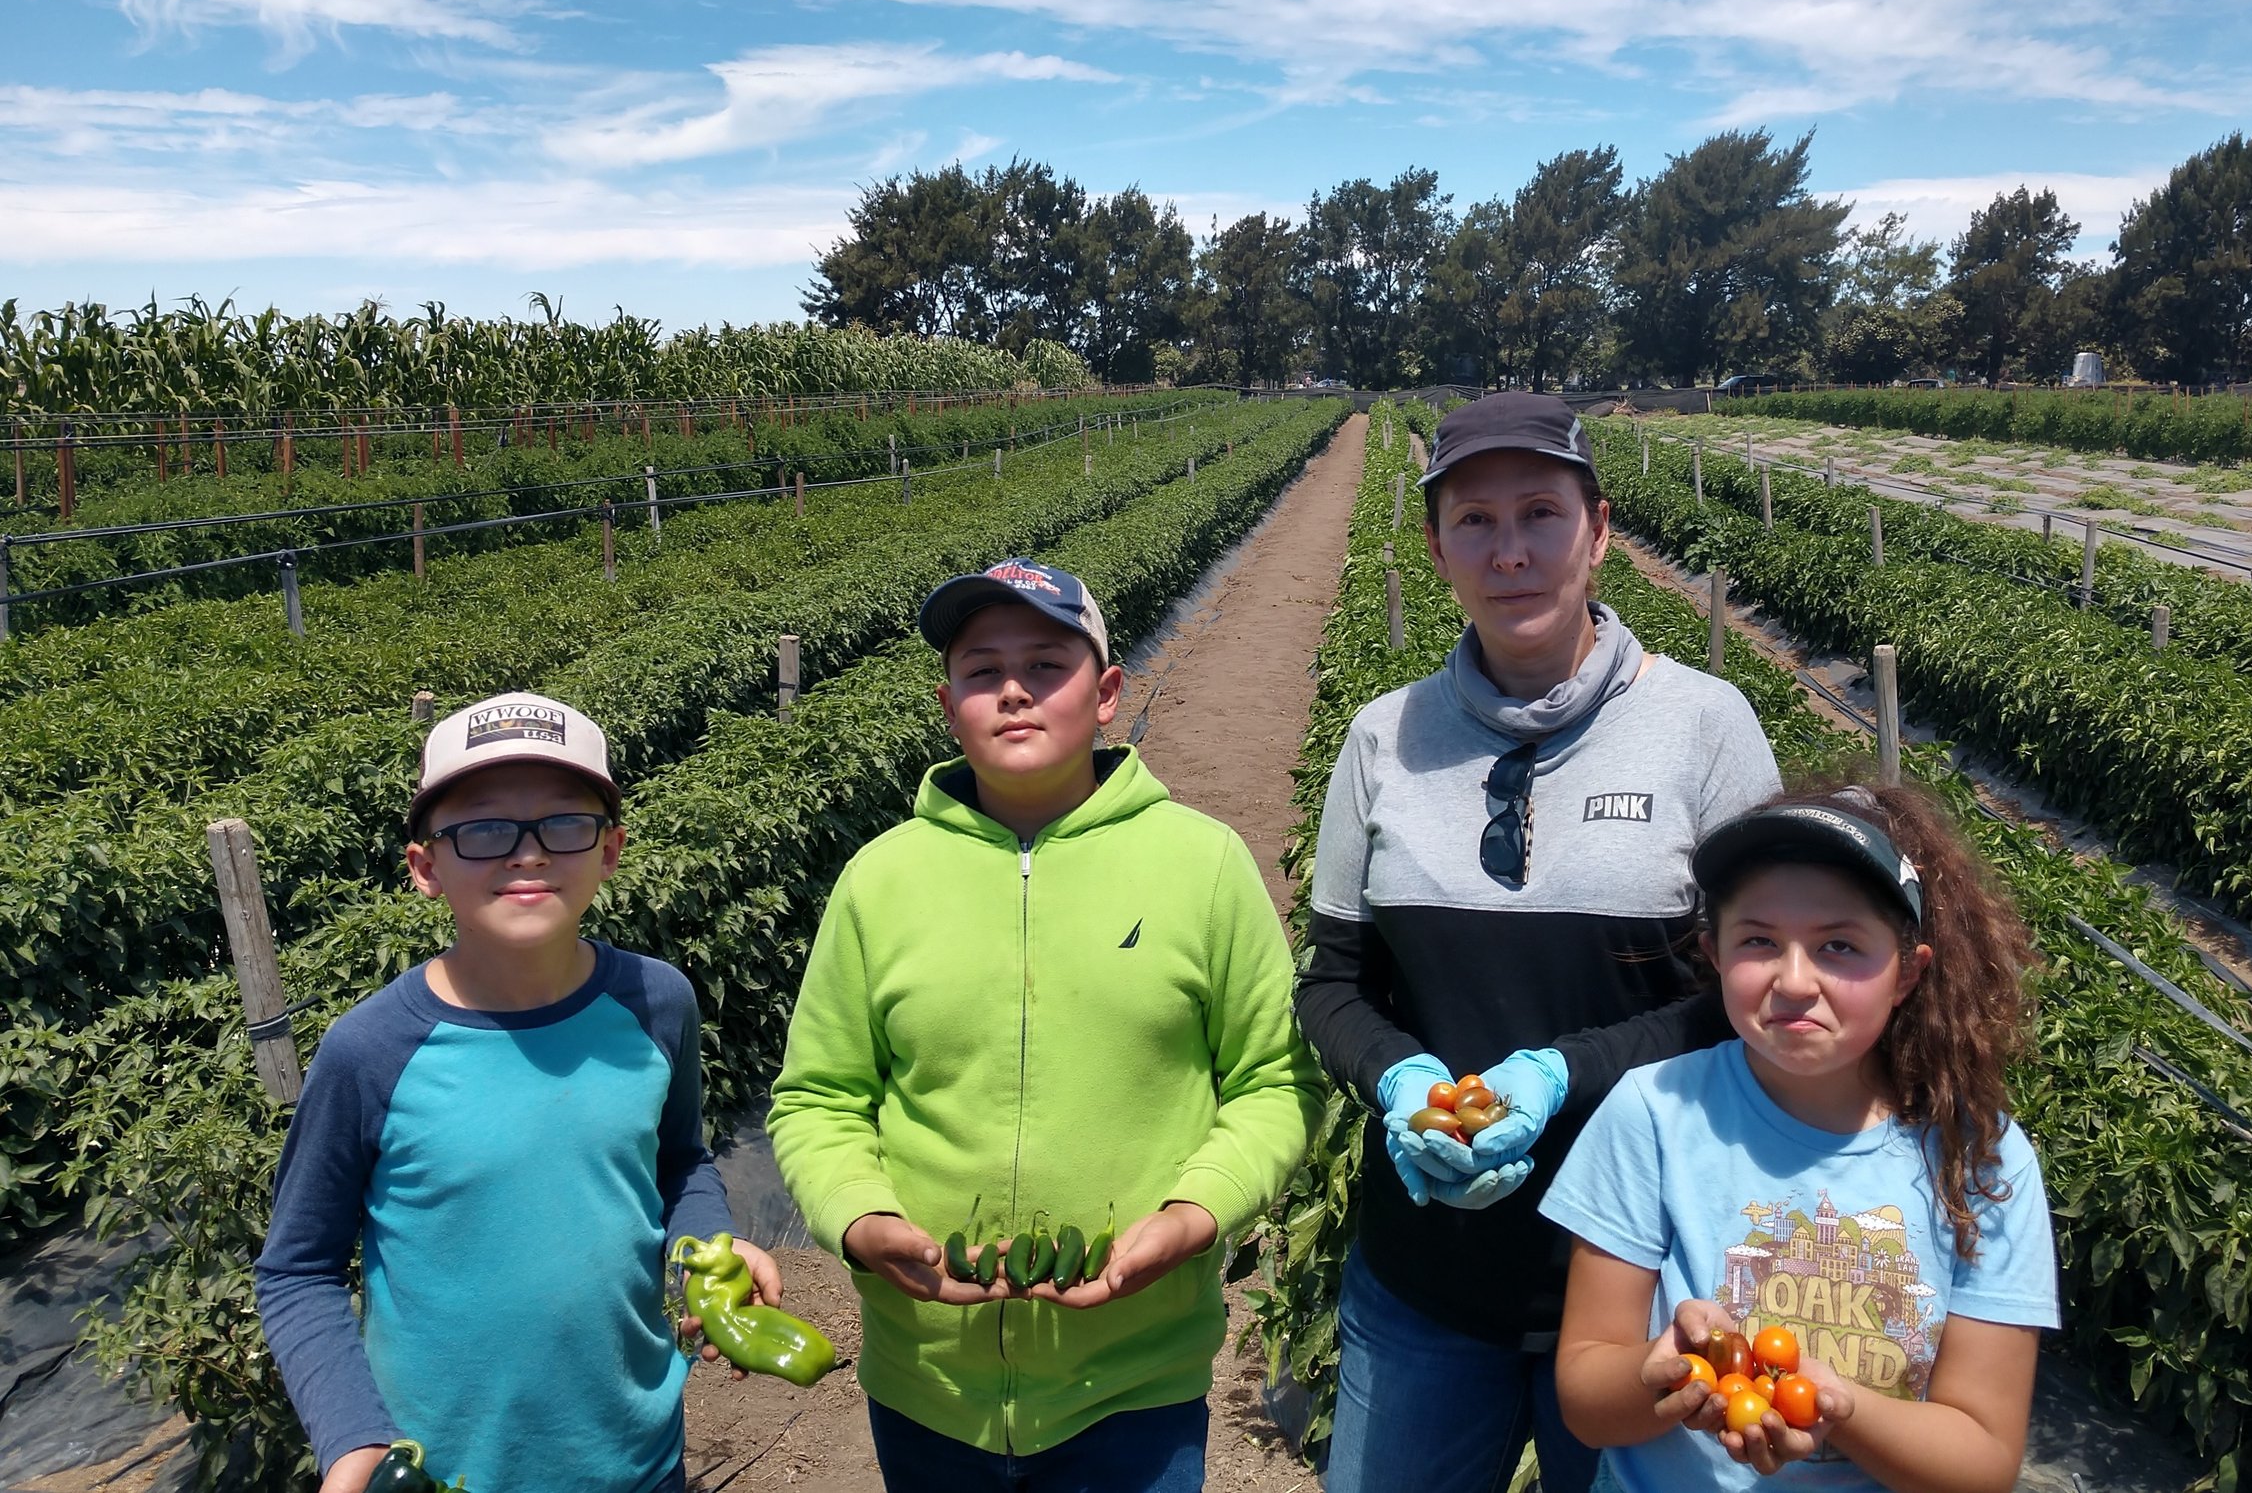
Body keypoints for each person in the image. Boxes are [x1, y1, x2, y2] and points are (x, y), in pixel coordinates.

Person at [1296, 392, 1783, 1493]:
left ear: (1598, 531)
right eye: (1474, 521)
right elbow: (1331, 984)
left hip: (1648, 1286)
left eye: (1540, 514)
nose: (1509, 551)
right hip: (1425, 1282)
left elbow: (1749, 1000)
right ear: (1436, 549)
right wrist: (1398, 1079)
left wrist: (1562, 1074)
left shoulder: (1706, 729)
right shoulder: (1381, 739)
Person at [768, 557, 1322, 1493]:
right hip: (928, 1383)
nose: (1014, 689)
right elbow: (819, 1095)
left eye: (1046, 665)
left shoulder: (1202, 866)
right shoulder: (881, 880)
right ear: (949, 707)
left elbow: (1275, 1079)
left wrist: (1194, 1215)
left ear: (1106, 694)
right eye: (982, 669)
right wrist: (861, 1218)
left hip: (1135, 1385)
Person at [256, 693, 772, 1493]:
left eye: (564, 823)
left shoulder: (656, 1002)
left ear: (610, 849)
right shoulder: (371, 1051)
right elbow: (297, 1270)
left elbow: (680, 1163)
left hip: (640, 1460)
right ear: (426, 867)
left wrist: (709, 1240)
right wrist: (354, 1439)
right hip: (447, 1473)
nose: (527, 854)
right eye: (484, 829)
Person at [1541, 783, 2058, 1493]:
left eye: (1839, 945)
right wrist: (1660, 1370)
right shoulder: (1653, 1113)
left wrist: (1843, 1410)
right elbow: (1586, 1396)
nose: (1793, 980)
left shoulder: (1980, 1158)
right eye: (1758, 940)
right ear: (1714, 953)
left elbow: (1981, 1459)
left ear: (1907, 971)